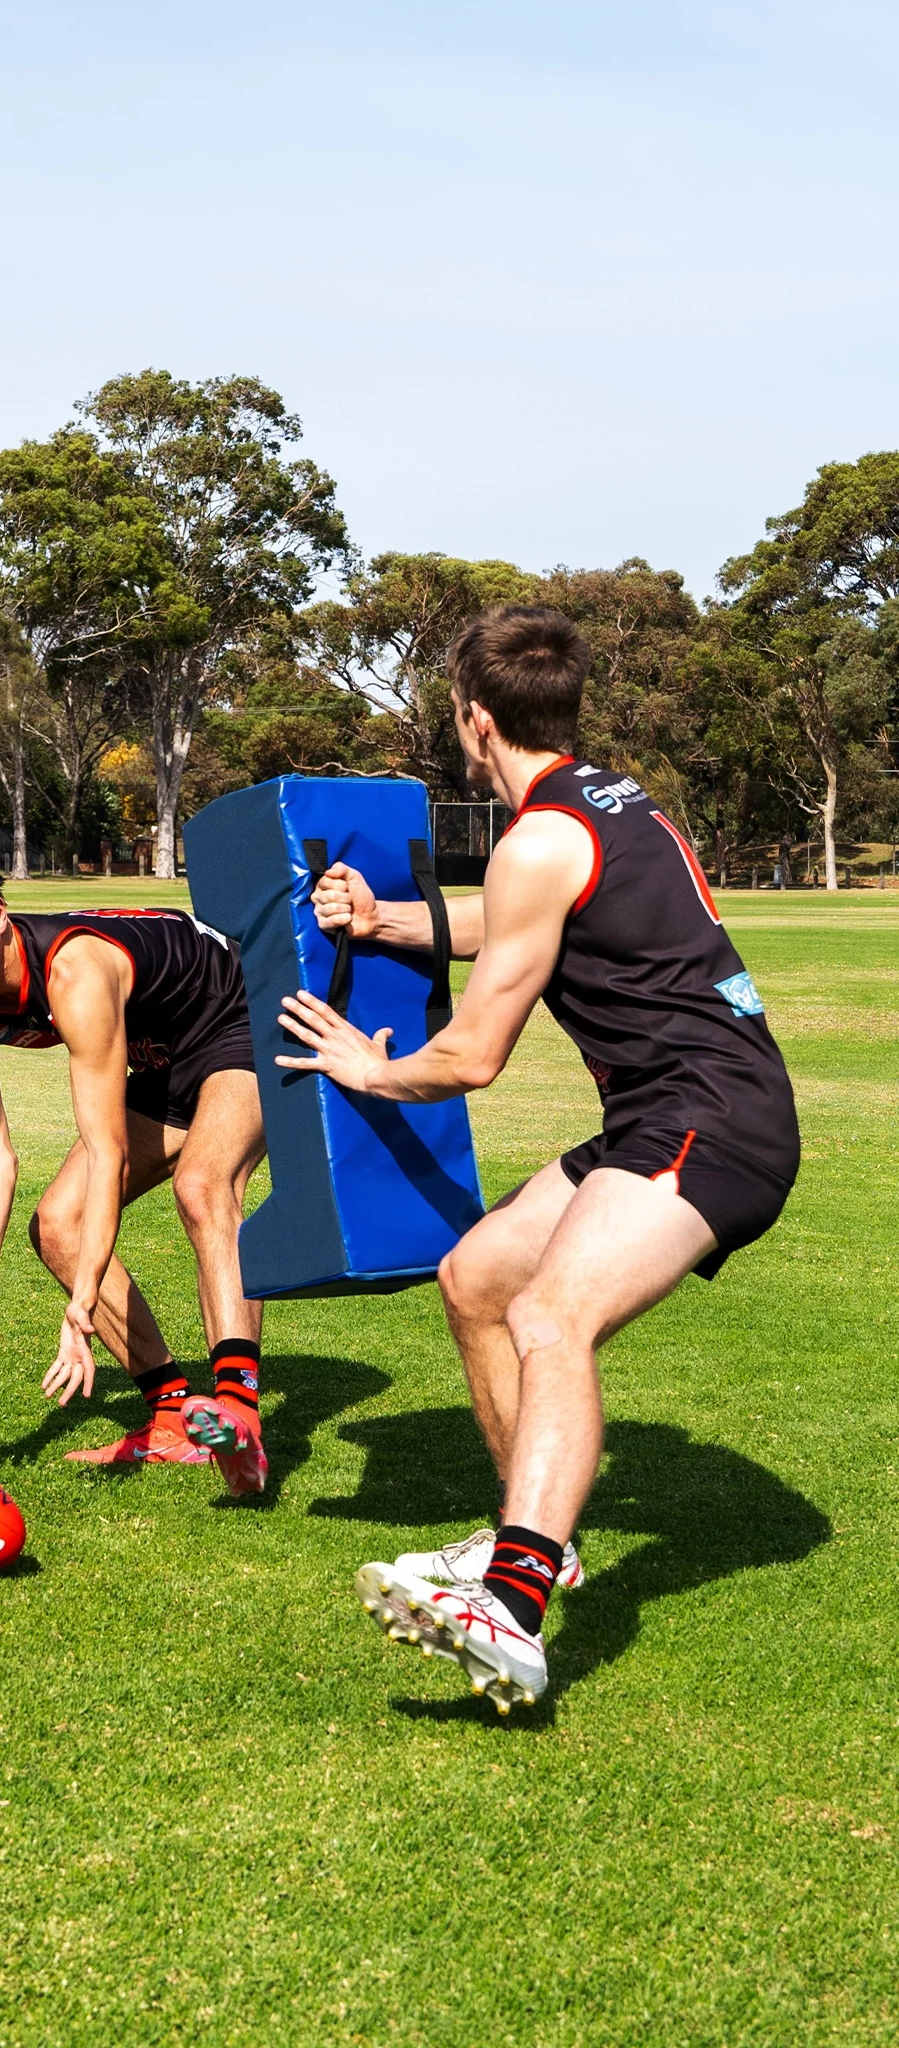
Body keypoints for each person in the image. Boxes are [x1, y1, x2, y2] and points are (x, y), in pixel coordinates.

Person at [277, 605, 798, 1711]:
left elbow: (468, 1058)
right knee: (477, 1277)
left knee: (550, 1318)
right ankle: (537, 1538)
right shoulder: (602, 798)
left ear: (473, 721)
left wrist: (364, 1069)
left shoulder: (538, 837)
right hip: (670, 1108)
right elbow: (520, 920)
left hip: (708, 1116)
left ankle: (510, 1606)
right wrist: (385, 919)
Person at [0, 846, 270, 1491]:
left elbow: (107, 1149)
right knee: (57, 1227)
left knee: (204, 1185)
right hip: (160, 1054)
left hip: (244, 1015)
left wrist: (83, 1301)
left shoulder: (75, 971)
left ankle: (238, 1409)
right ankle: (175, 1416)